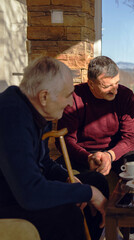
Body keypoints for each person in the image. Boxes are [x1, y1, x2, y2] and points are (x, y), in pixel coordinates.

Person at [0, 56, 108, 240]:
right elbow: (30, 192)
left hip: (20, 191)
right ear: (44, 96)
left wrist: (68, 178)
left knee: (96, 180)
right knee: (67, 215)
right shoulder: (12, 115)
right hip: (9, 199)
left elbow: (44, 163)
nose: (70, 104)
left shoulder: (39, 112)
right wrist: (87, 193)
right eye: (67, 95)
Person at [57, 56, 134, 176]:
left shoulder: (125, 95)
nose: (115, 91)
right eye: (107, 87)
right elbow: (65, 140)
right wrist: (88, 158)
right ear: (91, 84)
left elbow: (131, 137)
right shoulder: (73, 96)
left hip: (116, 151)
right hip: (84, 153)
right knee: (56, 173)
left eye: (116, 83)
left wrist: (109, 155)